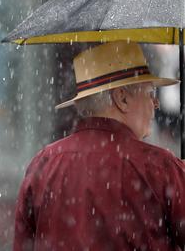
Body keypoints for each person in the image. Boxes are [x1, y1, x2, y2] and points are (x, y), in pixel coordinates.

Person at [14, 41, 185, 251]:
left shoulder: (42, 164)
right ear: (122, 98)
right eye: (150, 94)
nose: (155, 104)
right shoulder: (160, 168)